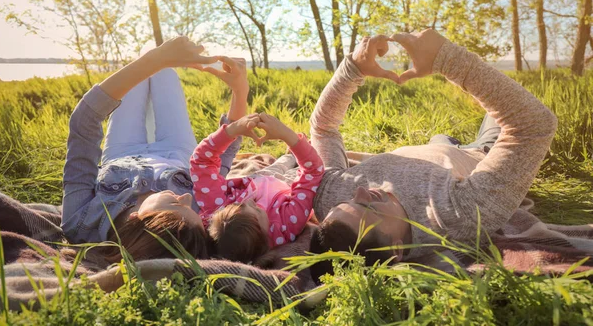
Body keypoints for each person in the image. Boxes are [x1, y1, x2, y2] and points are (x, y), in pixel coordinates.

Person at [309, 29, 558, 282]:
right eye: (367, 206)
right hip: (482, 152)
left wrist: (352, 69)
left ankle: (446, 140)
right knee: (513, 103)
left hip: (436, 146)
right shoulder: (459, 214)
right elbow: (534, 125)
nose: (359, 192)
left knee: (441, 137)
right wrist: (446, 59)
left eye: (346, 202)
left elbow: (323, 129)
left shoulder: (331, 202)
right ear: (396, 249)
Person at [61, 36, 249, 262]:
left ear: (136, 219)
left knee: (149, 62)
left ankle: (152, 53)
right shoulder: (194, 221)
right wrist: (240, 90)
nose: (188, 200)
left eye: (176, 203)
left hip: (122, 152)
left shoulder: (81, 222)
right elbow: (223, 155)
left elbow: (84, 122)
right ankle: (155, 54)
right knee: (165, 73)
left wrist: (154, 58)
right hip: (178, 151)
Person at [190, 112, 325, 263]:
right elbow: (312, 171)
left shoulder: (217, 207)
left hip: (256, 179)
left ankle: (288, 157)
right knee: (290, 164)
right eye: (258, 210)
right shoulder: (287, 223)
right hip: (286, 186)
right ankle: (290, 156)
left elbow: (201, 161)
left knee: (280, 164)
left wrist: (232, 130)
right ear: (266, 238)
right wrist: (287, 135)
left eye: (239, 204)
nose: (250, 201)